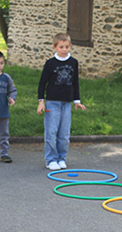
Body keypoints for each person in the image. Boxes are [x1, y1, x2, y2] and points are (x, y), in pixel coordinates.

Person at [36, 33, 86, 171]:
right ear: (55, 47)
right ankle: (51, 159)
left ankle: (61, 158)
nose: (64, 49)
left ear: (70, 46)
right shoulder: (50, 63)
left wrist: (77, 101)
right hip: (52, 102)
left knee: (64, 134)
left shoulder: (73, 62)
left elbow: (75, 82)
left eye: (67, 47)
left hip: (67, 103)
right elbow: (42, 84)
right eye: (61, 47)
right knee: (51, 132)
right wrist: (41, 101)